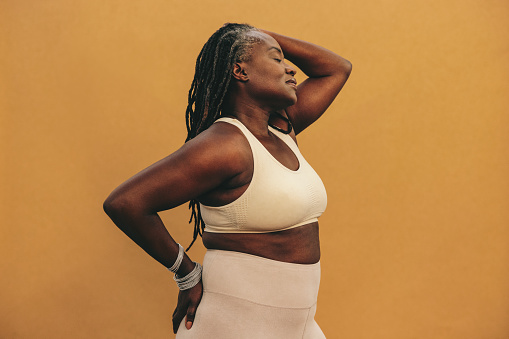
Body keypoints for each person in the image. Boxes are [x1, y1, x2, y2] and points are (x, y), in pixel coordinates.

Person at [103, 23, 351, 338]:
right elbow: (126, 203)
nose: (291, 70)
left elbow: (337, 69)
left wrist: (257, 33)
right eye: (276, 59)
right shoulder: (225, 145)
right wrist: (186, 274)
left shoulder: (281, 129)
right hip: (236, 323)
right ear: (240, 71)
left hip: (296, 325)